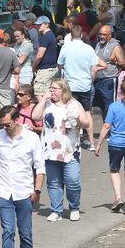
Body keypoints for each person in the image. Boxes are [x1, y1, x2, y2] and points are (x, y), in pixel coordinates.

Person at [0, 105, 45, 248]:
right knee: (7, 231)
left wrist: (37, 190)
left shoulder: (31, 138)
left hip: (24, 191)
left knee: (25, 233)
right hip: (5, 191)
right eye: (2, 125)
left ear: (16, 120)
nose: (4, 128)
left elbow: (40, 166)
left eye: (7, 124)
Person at [32, 78, 91, 222]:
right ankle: (56, 209)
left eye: (54, 88)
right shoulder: (47, 104)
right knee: (53, 182)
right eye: (50, 88)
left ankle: (74, 207)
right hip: (50, 150)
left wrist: (77, 119)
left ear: (63, 90)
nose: (51, 91)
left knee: (72, 180)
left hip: (69, 150)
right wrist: (44, 98)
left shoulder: (74, 104)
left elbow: (86, 123)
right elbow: (35, 116)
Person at [95, 80, 125, 215]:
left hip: (116, 144)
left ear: (120, 91)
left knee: (114, 170)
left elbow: (106, 126)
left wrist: (98, 143)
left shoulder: (114, 106)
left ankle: (118, 197)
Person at [57, 26, 105, 151]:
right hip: (84, 85)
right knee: (87, 112)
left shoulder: (65, 48)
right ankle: (91, 141)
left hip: (70, 86)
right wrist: (90, 81)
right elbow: (94, 69)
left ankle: (71, 139)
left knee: (69, 111)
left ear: (71, 36)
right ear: (82, 36)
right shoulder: (88, 48)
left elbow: (60, 65)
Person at [93, 25, 125, 118]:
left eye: (104, 35)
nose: (101, 37)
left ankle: (112, 129)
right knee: (101, 107)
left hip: (109, 79)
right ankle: (106, 129)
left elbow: (122, 63)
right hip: (97, 79)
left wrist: (114, 61)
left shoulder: (115, 46)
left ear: (110, 35)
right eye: (100, 34)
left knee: (110, 106)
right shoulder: (98, 44)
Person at [32, 15, 60, 96]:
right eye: (37, 25)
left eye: (40, 25)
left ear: (46, 24)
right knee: (48, 93)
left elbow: (39, 55)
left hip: (45, 69)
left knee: (39, 93)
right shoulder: (51, 35)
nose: (37, 26)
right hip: (51, 68)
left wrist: (33, 66)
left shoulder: (45, 37)